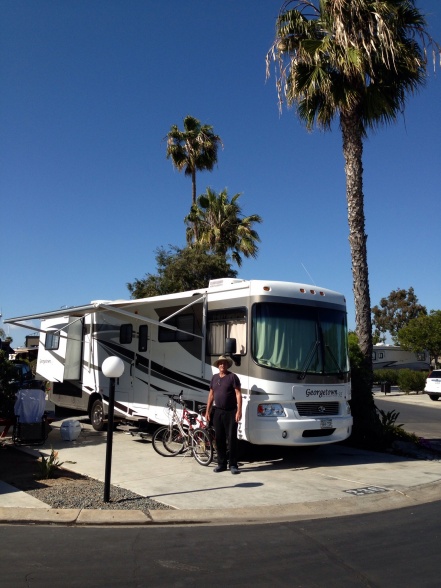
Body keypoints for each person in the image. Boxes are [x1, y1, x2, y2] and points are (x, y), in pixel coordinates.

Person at [206, 355, 242, 474]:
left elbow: (238, 394)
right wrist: (208, 411)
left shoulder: (232, 377)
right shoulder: (214, 378)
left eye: (225, 363)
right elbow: (211, 395)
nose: (222, 365)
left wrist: (239, 411)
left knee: (231, 438)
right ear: (218, 365)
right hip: (218, 411)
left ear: (227, 365)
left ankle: (233, 464)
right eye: (220, 363)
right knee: (219, 438)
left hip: (231, 411)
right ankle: (221, 464)